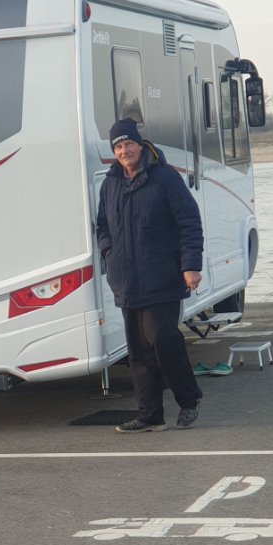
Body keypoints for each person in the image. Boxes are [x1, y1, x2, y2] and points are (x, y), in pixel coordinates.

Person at [96, 118, 204, 433]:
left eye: (129, 144)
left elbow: (189, 222)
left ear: (141, 146)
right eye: (118, 146)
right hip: (126, 281)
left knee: (162, 338)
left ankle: (188, 400)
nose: (124, 151)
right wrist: (108, 252)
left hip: (163, 276)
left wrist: (190, 265)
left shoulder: (165, 178)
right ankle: (150, 415)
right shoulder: (110, 184)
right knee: (139, 351)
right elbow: (102, 225)